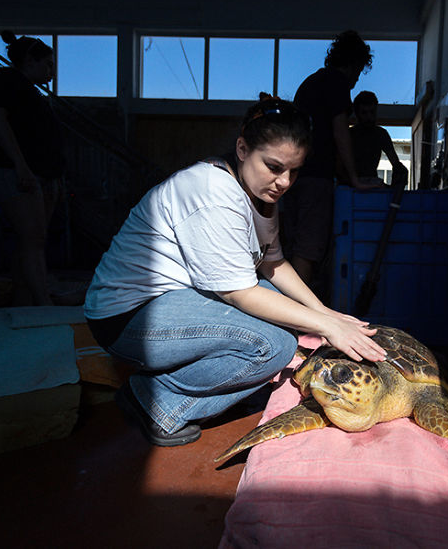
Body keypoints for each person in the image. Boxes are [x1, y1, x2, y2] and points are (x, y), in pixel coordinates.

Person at [84, 96, 386, 447]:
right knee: (274, 345)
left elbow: (273, 264)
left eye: (294, 170)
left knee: (288, 313)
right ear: (242, 148)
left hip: (174, 301)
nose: (284, 182)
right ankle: (156, 400)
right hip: (126, 316)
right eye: (273, 167)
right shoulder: (212, 190)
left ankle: (195, 380)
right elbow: (238, 293)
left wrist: (324, 312)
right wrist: (326, 327)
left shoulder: (260, 193)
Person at [283, 30, 378, 291]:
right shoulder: (337, 83)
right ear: (353, 65)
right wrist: (355, 179)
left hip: (294, 176)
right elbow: (340, 132)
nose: (357, 81)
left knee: (293, 246)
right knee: (308, 248)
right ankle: (295, 322)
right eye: (358, 73)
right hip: (315, 178)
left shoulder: (309, 84)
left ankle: (288, 315)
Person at [0, 31, 62, 306]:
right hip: (14, 171)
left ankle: (25, 298)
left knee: (33, 239)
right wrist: (21, 167)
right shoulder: (2, 81)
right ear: (29, 61)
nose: (51, 72)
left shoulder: (28, 91)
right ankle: (42, 302)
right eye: (47, 65)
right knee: (32, 238)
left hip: (38, 172)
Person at [350, 91, 409, 188]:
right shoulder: (350, 135)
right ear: (357, 114)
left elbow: (395, 161)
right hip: (349, 185)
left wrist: (400, 171)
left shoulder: (381, 134)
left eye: (372, 112)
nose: (369, 117)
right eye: (364, 113)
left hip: (372, 183)